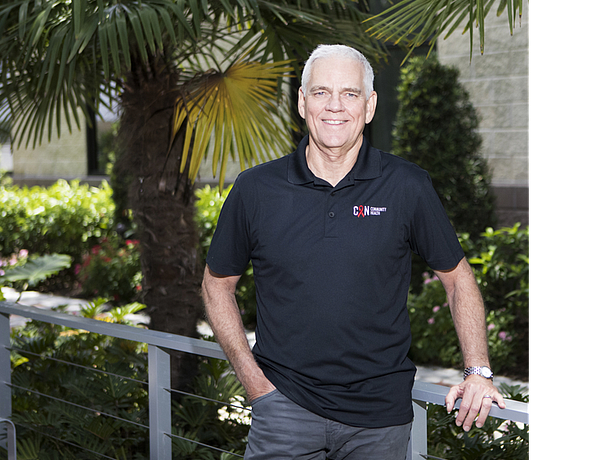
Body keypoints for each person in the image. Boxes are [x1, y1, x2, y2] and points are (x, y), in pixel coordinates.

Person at [201, 44, 505, 460]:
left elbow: (458, 279)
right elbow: (216, 285)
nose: (335, 106)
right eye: (321, 92)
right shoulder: (256, 189)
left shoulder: (407, 185)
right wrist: (255, 384)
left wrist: (477, 371)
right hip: (283, 409)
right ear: (302, 102)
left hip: (379, 420)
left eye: (350, 93)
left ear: (370, 105)